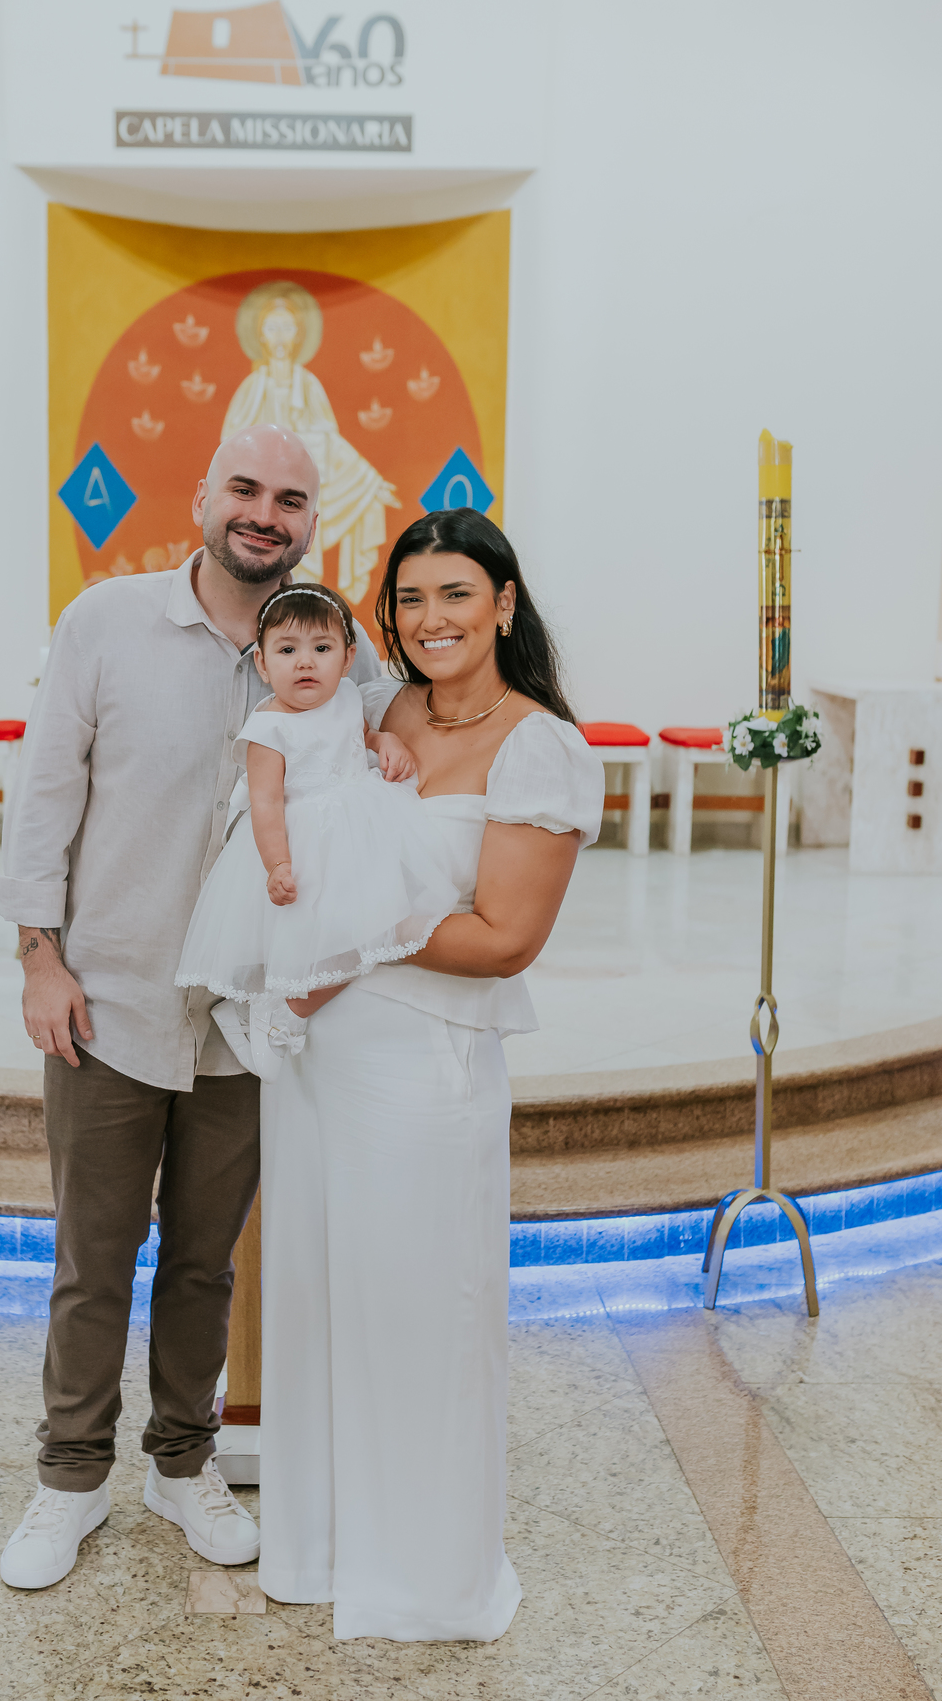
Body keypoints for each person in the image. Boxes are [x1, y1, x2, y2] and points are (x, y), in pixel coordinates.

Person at [0, 423, 382, 1590]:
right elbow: (46, 790)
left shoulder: (337, 656)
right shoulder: (107, 622)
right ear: (205, 496)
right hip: (108, 997)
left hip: (243, 1016)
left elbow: (387, 765)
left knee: (205, 1260)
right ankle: (68, 1482)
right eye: (248, 490)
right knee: (94, 1255)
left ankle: (179, 1463)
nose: (267, 513)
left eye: (294, 500)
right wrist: (38, 957)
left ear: (318, 522)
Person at [257, 507, 605, 1642]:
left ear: (504, 602)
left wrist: (351, 932)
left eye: (456, 594)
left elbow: (503, 938)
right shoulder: (389, 709)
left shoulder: (539, 744)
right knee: (323, 1294)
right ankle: (322, 1548)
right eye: (410, 599)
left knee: (419, 1313)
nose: (431, 618)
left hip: (423, 1067)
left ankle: (425, 1574)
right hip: (321, 1055)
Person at [174, 582, 459, 1079]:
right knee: (326, 940)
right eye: (287, 651)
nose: (305, 663)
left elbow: (358, 736)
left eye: (321, 649)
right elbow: (264, 802)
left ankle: (282, 1010)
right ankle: (279, 1011)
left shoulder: (348, 697)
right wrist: (278, 864)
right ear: (263, 664)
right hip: (304, 842)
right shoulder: (268, 727)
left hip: (361, 828)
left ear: (348, 659)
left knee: (383, 926)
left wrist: (384, 738)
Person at [220, 282, 398, 606]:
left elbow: (331, 441)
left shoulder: (309, 385)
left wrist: (369, 481)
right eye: (272, 327)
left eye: (286, 327)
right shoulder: (252, 388)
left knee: (302, 570)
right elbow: (228, 450)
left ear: (298, 334)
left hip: (296, 502)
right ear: (260, 334)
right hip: (258, 503)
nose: (279, 336)